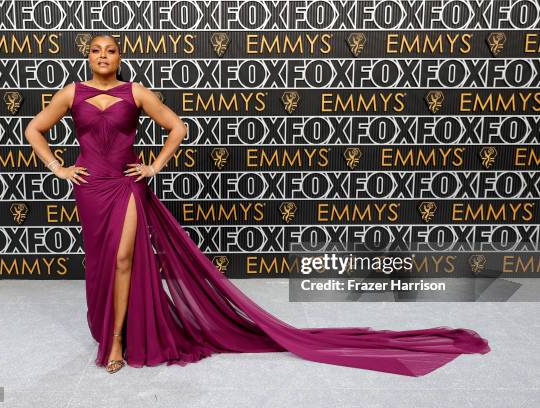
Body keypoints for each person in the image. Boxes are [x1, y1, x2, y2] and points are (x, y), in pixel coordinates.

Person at [24, 34, 490, 376]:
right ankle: (106, 328)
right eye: (96, 50)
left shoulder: (137, 92)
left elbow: (178, 129)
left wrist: (154, 167)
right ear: (86, 56)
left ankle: (119, 341)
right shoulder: (71, 93)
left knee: (125, 258)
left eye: (111, 50)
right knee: (101, 263)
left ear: (120, 57)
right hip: (90, 188)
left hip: (125, 186)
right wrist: (59, 168)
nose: (103, 57)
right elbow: (33, 130)